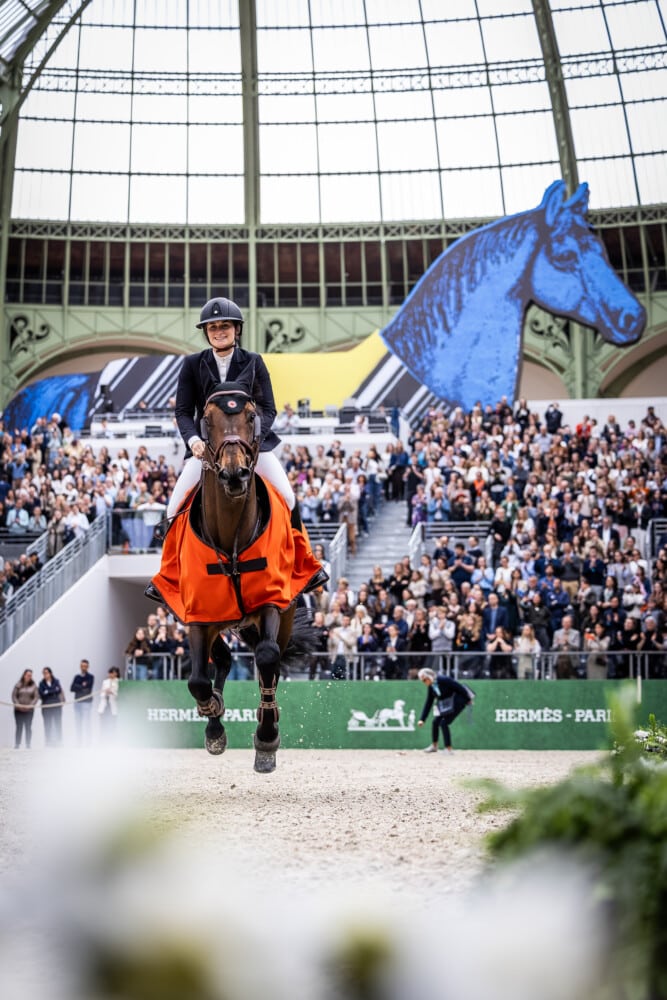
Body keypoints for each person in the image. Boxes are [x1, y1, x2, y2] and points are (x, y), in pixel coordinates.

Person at [417, 667, 474, 754]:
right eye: (422, 681)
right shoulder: (431, 687)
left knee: (444, 723)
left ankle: (449, 748)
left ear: (430, 677)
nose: (424, 683)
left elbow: (459, 687)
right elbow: (428, 702)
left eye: (425, 680)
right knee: (435, 722)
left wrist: (468, 699)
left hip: (458, 702)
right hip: (446, 705)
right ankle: (434, 746)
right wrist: (422, 719)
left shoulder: (443, 680)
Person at [70, 658, 95, 745]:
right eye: (82, 666)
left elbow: (88, 689)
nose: (83, 668)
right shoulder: (77, 677)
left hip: (86, 703)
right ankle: (79, 742)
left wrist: (78, 686)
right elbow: (72, 688)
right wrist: (82, 686)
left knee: (87, 723)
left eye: (85, 666)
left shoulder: (90, 677)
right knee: (78, 723)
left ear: (88, 667)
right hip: (77, 702)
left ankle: (88, 742)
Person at [12, 668, 39, 749]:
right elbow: (14, 696)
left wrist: (30, 705)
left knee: (28, 727)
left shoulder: (34, 685)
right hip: (18, 710)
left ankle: (28, 744)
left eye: (30, 675)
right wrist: (18, 705)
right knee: (19, 727)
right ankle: (17, 744)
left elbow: (36, 697)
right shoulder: (18, 684)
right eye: (27, 675)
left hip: (29, 710)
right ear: (24, 675)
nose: (29, 676)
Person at [38, 666, 64, 747]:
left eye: (46, 673)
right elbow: (42, 694)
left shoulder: (56, 681)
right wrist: (53, 691)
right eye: (44, 673)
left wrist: (48, 691)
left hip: (56, 705)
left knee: (58, 723)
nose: (45, 675)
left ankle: (59, 741)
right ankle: (48, 741)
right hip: (46, 706)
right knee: (47, 724)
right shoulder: (41, 683)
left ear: (50, 673)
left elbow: (58, 690)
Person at [98, 666, 120, 739]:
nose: (111, 675)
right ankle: (103, 739)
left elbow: (119, 695)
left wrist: (112, 692)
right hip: (105, 705)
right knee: (103, 724)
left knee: (113, 724)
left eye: (113, 673)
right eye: (110, 673)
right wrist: (105, 693)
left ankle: (112, 740)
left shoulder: (119, 682)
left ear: (116, 674)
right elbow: (101, 694)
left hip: (113, 705)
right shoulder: (105, 682)